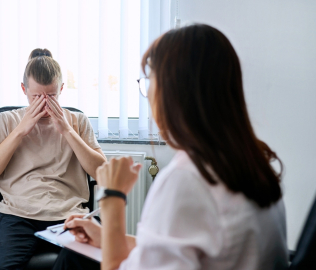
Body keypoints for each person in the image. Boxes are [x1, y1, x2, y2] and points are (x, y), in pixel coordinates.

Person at [52, 24, 289, 270]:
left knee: (72, 261)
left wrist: (112, 197)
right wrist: (108, 237)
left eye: (149, 81)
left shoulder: (187, 180)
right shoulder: (255, 166)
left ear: (171, 92)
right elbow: (183, 250)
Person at [0, 48, 106, 270]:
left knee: (96, 260)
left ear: (61, 89)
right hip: (16, 215)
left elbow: (103, 173)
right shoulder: (7, 120)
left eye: (52, 96)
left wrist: (67, 131)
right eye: (36, 96)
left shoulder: (78, 121)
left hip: (69, 215)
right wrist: (20, 131)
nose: (44, 103)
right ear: (24, 89)